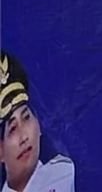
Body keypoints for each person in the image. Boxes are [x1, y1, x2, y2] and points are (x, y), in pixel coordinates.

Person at [0, 52, 75, 192]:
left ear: (39, 125)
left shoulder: (64, 173)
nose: (24, 137)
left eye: (26, 117)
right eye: (12, 128)